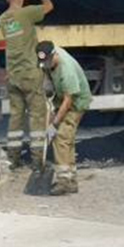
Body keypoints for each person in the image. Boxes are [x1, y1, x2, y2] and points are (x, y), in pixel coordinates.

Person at [0, 0, 53, 166]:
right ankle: (38, 160)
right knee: (37, 116)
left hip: (13, 76)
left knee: (16, 117)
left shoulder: (3, 19)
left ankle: (13, 158)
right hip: (30, 73)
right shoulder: (27, 13)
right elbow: (48, 6)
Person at [36, 40, 92, 196]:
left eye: (48, 62)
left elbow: (69, 100)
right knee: (66, 139)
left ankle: (64, 182)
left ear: (54, 55)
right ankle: (71, 181)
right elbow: (47, 75)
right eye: (43, 63)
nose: (45, 65)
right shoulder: (48, 60)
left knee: (61, 136)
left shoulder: (67, 70)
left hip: (76, 102)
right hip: (61, 99)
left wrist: (54, 124)